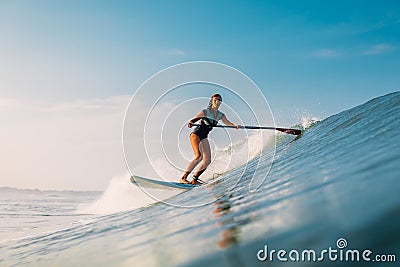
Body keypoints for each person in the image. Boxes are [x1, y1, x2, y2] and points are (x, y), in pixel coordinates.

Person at [180, 94, 240, 185]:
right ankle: (183, 178)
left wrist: (235, 126)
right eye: (215, 100)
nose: (217, 101)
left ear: (221, 103)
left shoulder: (220, 115)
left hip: (204, 137)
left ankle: (194, 179)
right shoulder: (205, 112)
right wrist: (191, 122)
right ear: (211, 101)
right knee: (198, 156)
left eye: (219, 100)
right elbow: (195, 119)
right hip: (196, 134)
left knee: (207, 161)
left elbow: (227, 123)